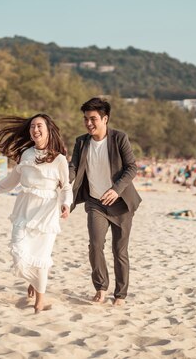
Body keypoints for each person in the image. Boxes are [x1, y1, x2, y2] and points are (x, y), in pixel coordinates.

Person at [0, 114, 72, 313]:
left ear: (49, 130)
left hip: (47, 213)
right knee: (19, 256)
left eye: (39, 126)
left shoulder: (59, 159)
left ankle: (40, 300)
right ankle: (33, 279)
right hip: (24, 209)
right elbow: (14, 177)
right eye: (32, 126)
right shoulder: (26, 154)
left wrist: (66, 204)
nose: (35, 129)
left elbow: (66, 187)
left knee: (40, 257)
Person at [68, 97, 141, 306]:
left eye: (93, 119)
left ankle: (120, 294)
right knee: (95, 246)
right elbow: (73, 167)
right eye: (85, 119)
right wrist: (63, 179)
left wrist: (117, 190)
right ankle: (100, 287)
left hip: (121, 204)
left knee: (119, 251)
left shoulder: (119, 138)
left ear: (105, 118)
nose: (88, 123)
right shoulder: (81, 142)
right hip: (95, 202)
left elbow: (132, 168)